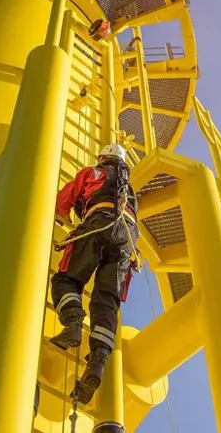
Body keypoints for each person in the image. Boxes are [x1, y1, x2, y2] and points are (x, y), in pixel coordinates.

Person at [49, 143, 141, 404]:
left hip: (98, 223)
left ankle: (73, 323)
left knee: (66, 279)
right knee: (106, 303)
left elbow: (61, 202)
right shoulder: (131, 192)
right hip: (127, 240)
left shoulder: (92, 172)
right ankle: (98, 361)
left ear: (102, 158)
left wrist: (62, 216)